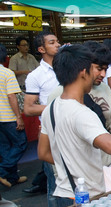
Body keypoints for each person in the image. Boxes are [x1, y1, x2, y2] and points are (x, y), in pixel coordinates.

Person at [38, 44, 111, 207]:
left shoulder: (51, 109)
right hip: (87, 198)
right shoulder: (82, 113)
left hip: (64, 192)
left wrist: (72, 164)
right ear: (84, 72)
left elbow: (43, 152)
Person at [47, 41, 111, 166]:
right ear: (84, 68)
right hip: (81, 171)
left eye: (106, 69)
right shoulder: (60, 98)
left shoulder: (105, 89)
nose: (103, 74)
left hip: (105, 164)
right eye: (99, 69)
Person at [22, 31, 60, 197]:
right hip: (50, 129)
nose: (57, 45)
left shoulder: (66, 68)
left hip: (71, 126)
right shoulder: (35, 76)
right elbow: (29, 108)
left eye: (57, 41)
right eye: (52, 42)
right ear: (41, 49)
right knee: (53, 178)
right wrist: (58, 107)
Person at [0, 44, 27, 188]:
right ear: (5, 57)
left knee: (5, 147)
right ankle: (2, 171)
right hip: (8, 117)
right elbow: (12, 96)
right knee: (21, 144)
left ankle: (12, 177)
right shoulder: (7, 73)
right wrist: (18, 116)